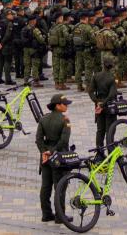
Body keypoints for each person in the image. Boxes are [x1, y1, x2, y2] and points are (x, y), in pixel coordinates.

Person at [37, 93, 72, 223]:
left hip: (45, 157)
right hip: (59, 156)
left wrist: (45, 152)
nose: (66, 106)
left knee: (45, 186)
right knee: (60, 186)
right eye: (64, 104)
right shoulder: (65, 120)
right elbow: (63, 141)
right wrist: (52, 152)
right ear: (57, 106)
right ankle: (60, 216)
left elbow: (38, 139)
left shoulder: (43, 119)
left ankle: (46, 214)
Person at [90, 55, 118, 149]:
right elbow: (112, 94)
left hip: (99, 106)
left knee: (100, 130)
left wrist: (97, 102)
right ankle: (110, 154)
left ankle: (99, 153)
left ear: (103, 65)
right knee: (110, 131)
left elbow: (90, 91)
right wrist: (104, 103)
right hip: (109, 106)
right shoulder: (111, 77)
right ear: (111, 66)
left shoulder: (96, 76)